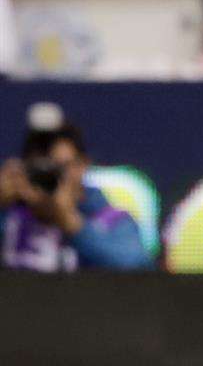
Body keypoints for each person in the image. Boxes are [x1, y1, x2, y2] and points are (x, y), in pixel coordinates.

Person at [0, 105, 148, 273]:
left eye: (63, 167)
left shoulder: (109, 219)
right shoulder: (10, 214)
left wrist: (71, 223)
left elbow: (138, 267)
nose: (54, 178)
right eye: (44, 170)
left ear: (83, 165)